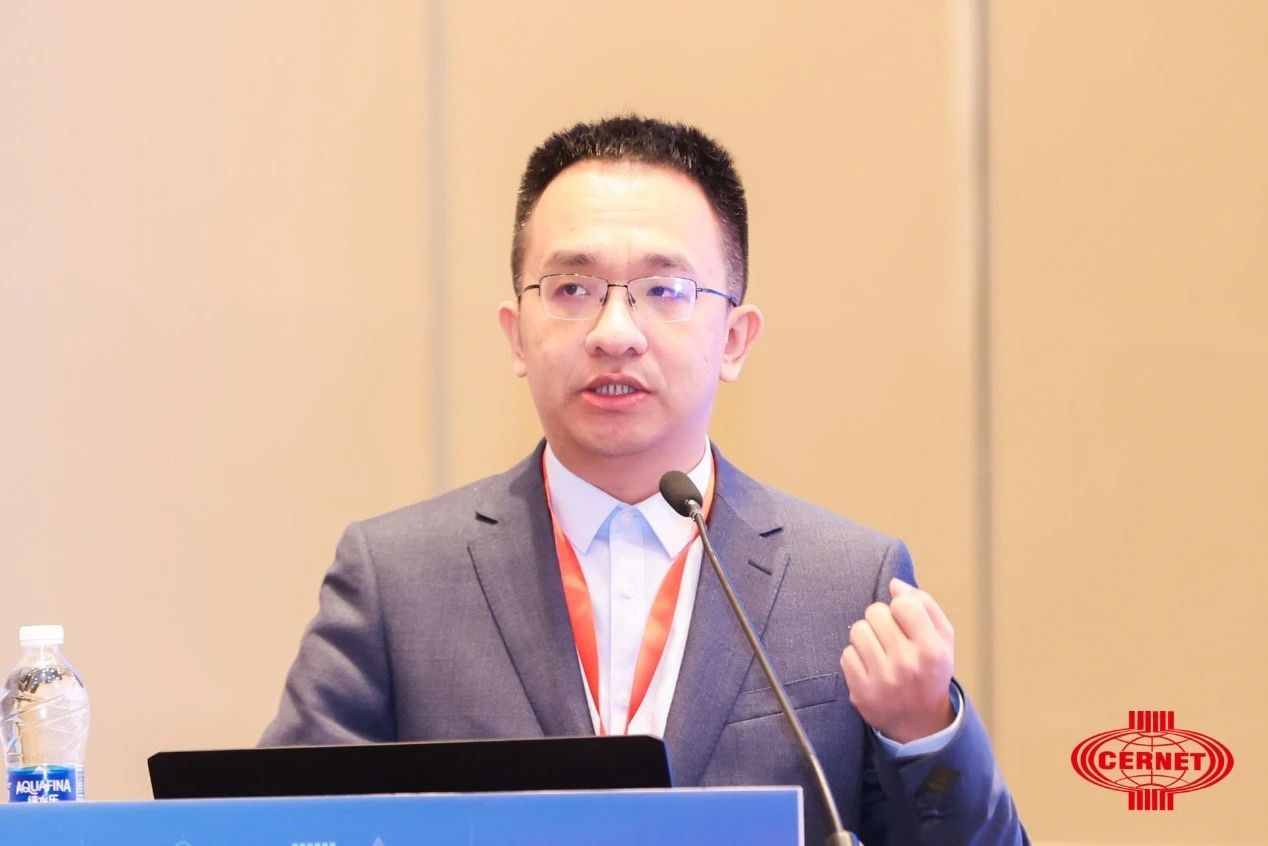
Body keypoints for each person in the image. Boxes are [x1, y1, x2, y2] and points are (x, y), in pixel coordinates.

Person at [262, 115, 1028, 845]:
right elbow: (273, 827)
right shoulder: (399, 581)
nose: (615, 333)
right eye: (572, 290)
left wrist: (924, 733)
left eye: (665, 290)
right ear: (516, 335)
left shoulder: (843, 584)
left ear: (733, 339)